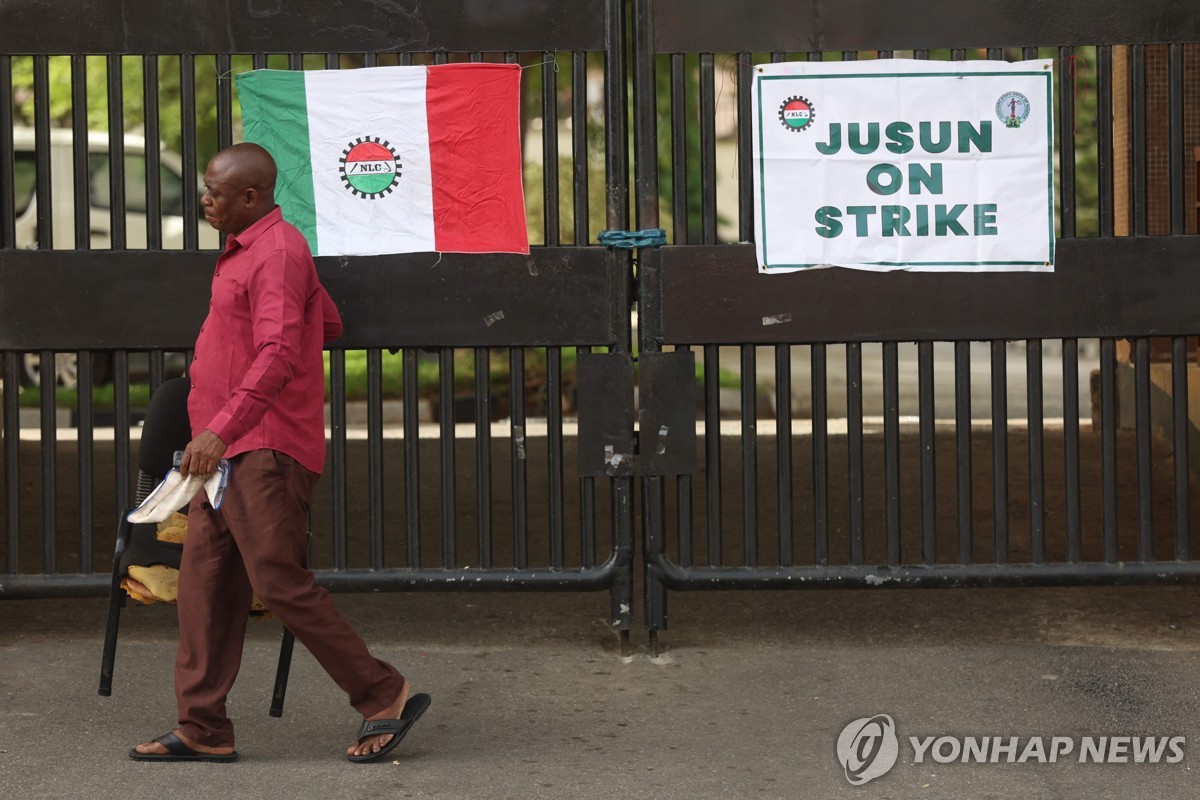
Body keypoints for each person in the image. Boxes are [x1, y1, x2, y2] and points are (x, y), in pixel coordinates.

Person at [131, 143, 429, 764]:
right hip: (224, 450)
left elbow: (277, 353)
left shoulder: (276, 251)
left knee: (279, 582)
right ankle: (203, 727)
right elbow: (324, 326)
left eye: (215, 190)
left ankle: (383, 692)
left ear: (251, 196)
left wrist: (222, 426)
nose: (204, 198)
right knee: (204, 585)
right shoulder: (254, 252)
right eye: (204, 187)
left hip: (260, 447)